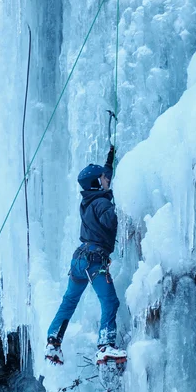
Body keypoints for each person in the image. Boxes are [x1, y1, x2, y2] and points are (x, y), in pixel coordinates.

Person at [44, 145, 127, 366]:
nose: (106, 180)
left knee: (69, 301)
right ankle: (105, 345)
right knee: (110, 301)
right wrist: (124, 202)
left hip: (79, 260)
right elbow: (114, 219)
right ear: (97, 183)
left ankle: (53, 342)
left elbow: (103, 180)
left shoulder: (89, 200)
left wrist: (109, 161)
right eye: (103, 178)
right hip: (94, 261)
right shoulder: (102, 203)